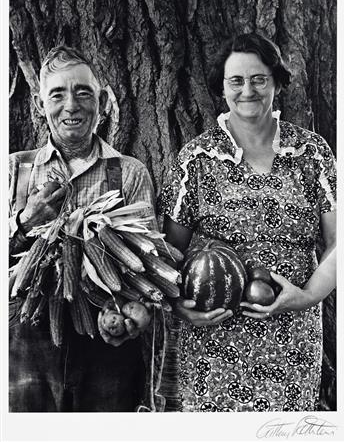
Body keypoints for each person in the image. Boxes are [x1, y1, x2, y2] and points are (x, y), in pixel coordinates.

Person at [158, 32, 336, 412]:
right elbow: (167, 254)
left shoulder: (312, 152)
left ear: (276, 82)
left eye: (259, 79)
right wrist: (179, 306)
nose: (248, 90)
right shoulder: (196, 159)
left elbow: (340, 242)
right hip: (214, 343)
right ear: (221, 89)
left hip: (293, 339)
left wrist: (307, 296)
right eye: (236, 80)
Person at [9, 45, 157, 412]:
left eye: (83, 92)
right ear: (41, 105)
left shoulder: (129, 172)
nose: (71, 105)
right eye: (57, 94)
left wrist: (136, 312)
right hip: (27, 343)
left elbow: (148, 263)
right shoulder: (13, 170)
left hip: (108, 341)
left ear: (102, 102)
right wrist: (27, 221)